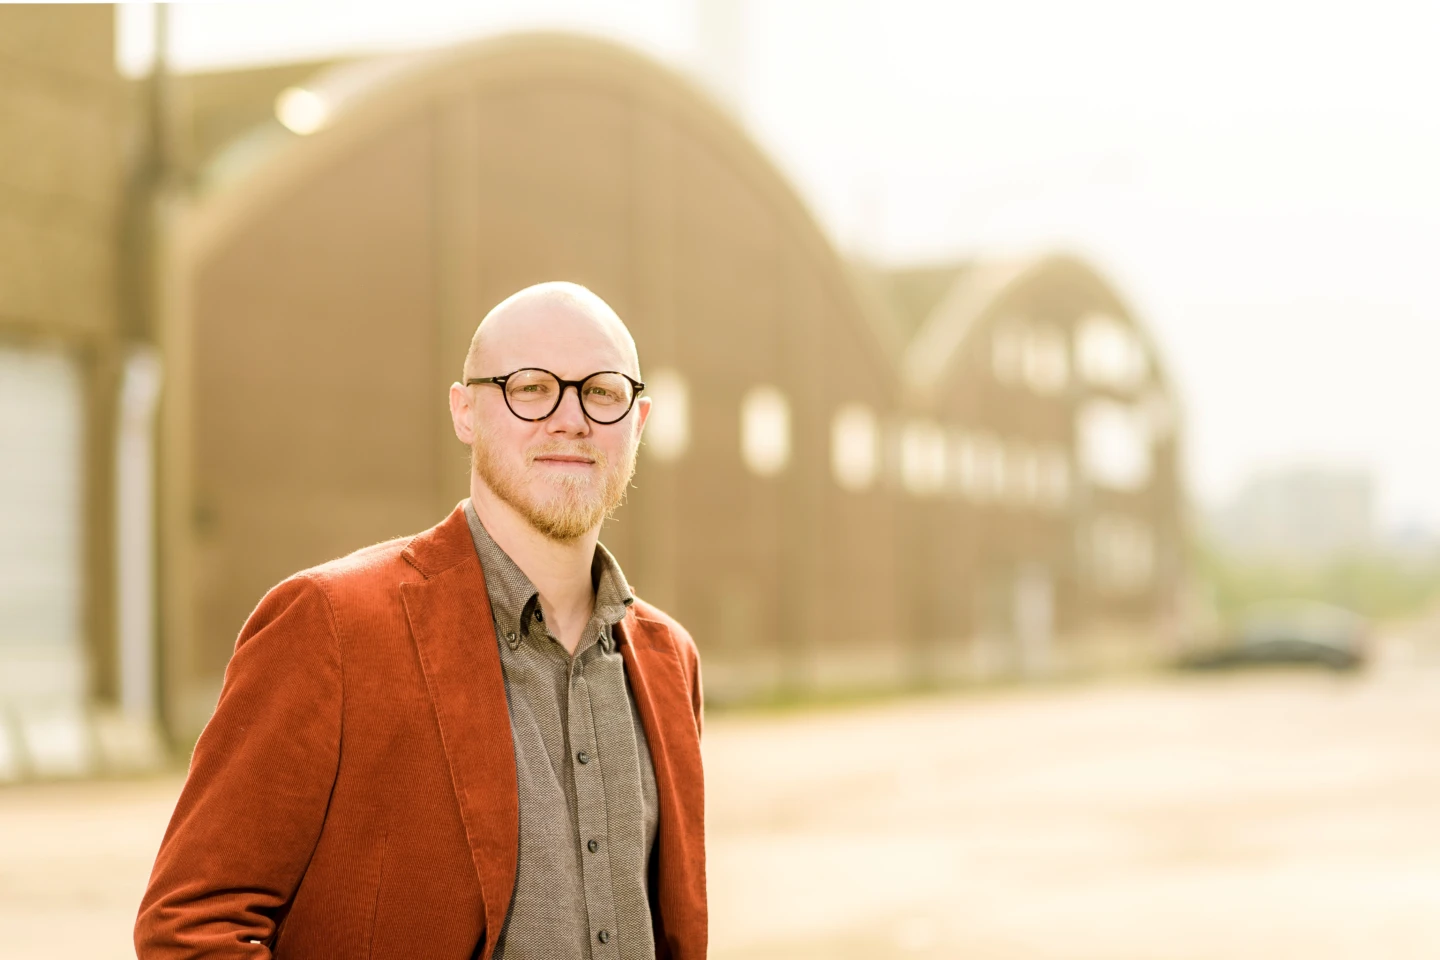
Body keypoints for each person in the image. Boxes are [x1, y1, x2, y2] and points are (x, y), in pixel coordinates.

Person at [136, 283, 706, 960]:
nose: (570, 419)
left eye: (602, 392)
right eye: (530, 388)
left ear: (638, 422)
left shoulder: (669, 661)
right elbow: (190, 925)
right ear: (465, 412)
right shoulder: (331, 626)